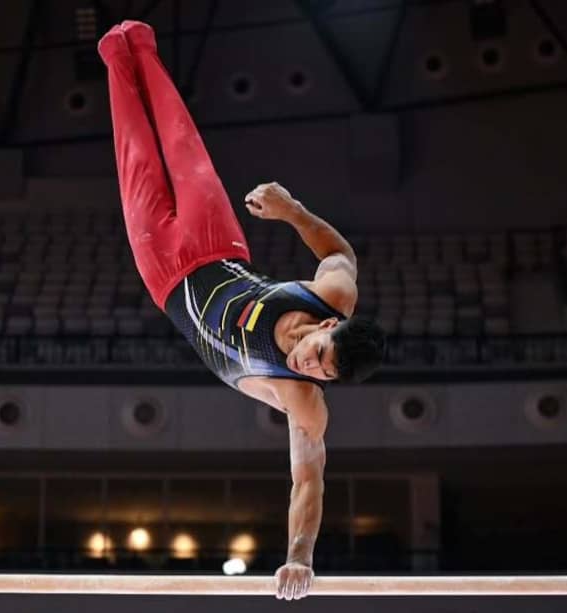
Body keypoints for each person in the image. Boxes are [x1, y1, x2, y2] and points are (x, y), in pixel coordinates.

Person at [98, 21, 385, 600]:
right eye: (318, 355)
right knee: (181, 143)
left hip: (165, 274)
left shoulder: (302, 401)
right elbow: (337, 253)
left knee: (134, 152)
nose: (307, 367)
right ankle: (143, 46)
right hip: (219, 243)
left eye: (320, 374)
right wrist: (294, 211)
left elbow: (307, 480)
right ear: (329, 326)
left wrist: (298, 558)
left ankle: (113, 57)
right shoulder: (333, 296)